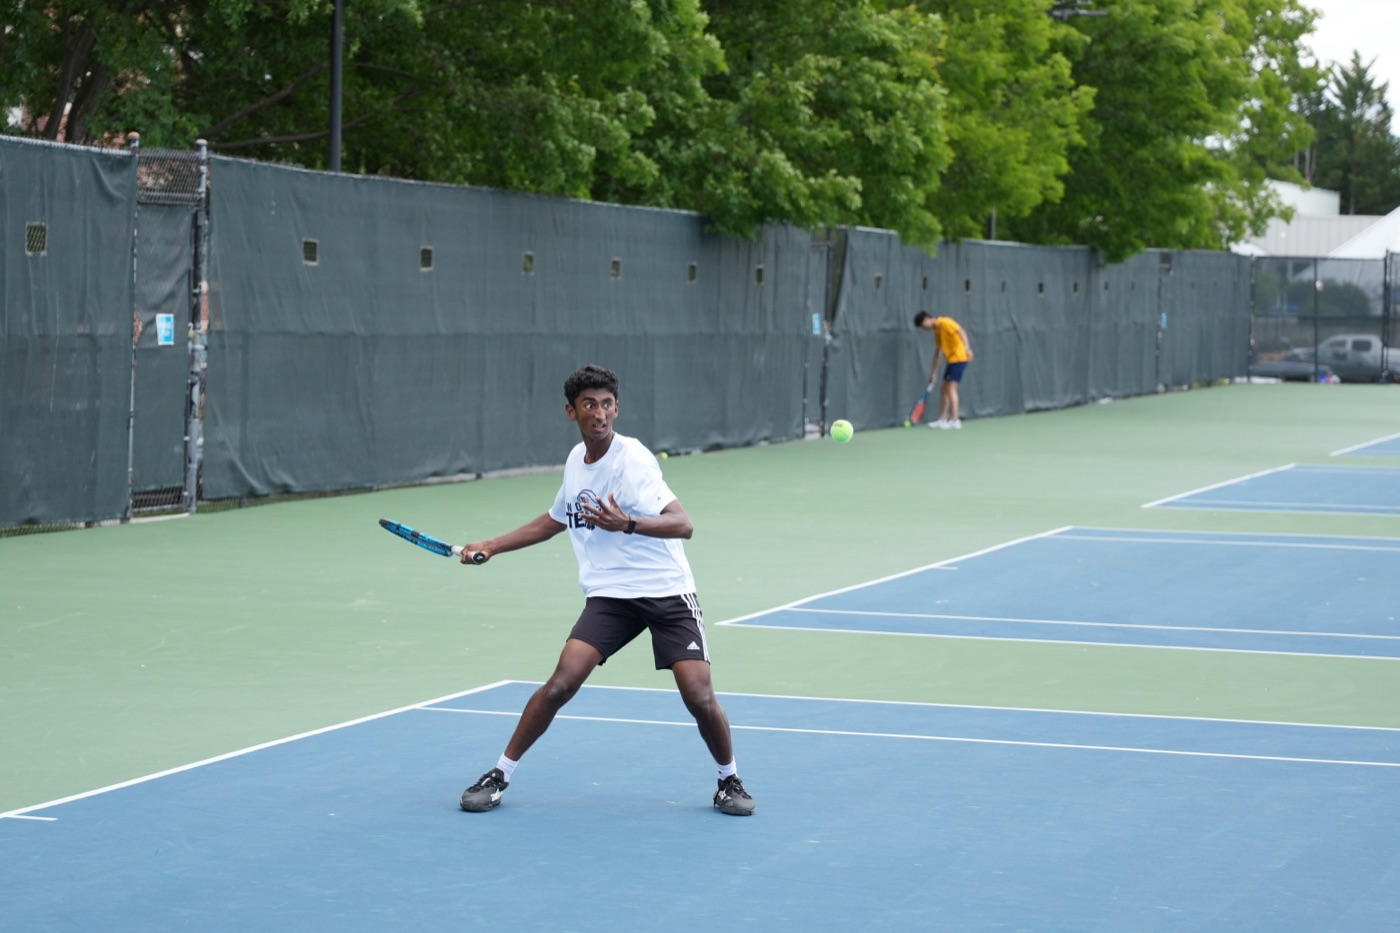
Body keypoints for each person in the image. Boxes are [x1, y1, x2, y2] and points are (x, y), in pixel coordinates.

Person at [453, 364, 755, 817]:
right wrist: (492, 546)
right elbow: (554, 520)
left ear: (617, 408)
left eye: (607, 404)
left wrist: (627, 523)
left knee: (697, 695)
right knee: (560, 684)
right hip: (611, 596)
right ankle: (499, 774)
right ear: (571, 411)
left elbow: (683, 524)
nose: (599, 413)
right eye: (589, 405)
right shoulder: (576, 461)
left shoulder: (633, 461)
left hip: (666, 592)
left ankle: (728, 780)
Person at [913, 311, 974, 429]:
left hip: (960, 357)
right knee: (944, 388)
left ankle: (955, 421)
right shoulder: (937, 331)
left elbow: (961, 331)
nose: (924, 329)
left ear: (927, 319)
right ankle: (942, 419)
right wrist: (934, 373)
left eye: (923, 325)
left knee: (951, 388)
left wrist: (967, 348)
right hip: (952, 360)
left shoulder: (945, 322)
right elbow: (938, 353)